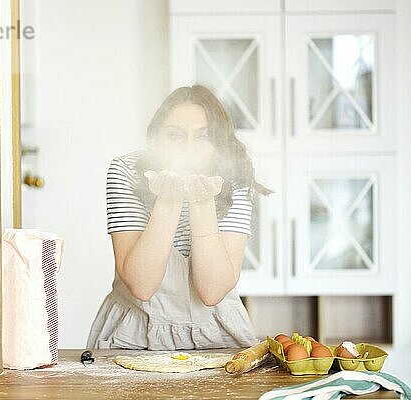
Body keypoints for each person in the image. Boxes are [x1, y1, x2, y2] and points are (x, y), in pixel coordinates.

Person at [86, 85, 272, 350]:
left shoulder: (234, 175)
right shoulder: (126, 170)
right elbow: (142, 285)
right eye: (175, 135)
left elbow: (212, 291)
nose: (188, 148)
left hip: (216, 333)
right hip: (134, 332)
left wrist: (202, 200)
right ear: (156, 138)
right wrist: (169, 197)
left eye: (203, 137)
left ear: (219, 143)